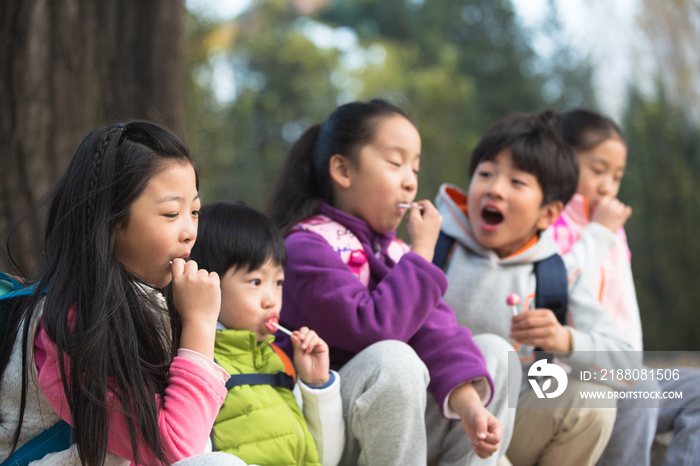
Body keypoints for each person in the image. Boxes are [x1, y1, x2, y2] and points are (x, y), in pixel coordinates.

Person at [268, 99, 515, 466]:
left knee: (496, 352)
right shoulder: (306, 246)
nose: (410, 180)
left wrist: (470, 407)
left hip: (395, 425)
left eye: (415, 167)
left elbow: (439, 334)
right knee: (393, 359)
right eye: (396, 162)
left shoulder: (397, 253)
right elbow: (373, 328)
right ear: (343, 170)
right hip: (325, 428)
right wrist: (423, 251)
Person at [0, 122, 244, 466]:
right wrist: (201, 324)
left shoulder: (152, 302)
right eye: (172, 214)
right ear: (112, 220)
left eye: (195, 212)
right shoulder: (68, 321)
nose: (190, 232)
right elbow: (176, 448)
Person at [434, 110, 638, 466]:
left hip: (508, 430)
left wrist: (565, 340)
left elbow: (628, 367)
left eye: (517, 182)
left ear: (548, 214)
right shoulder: (435, 247)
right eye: (486, 173)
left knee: (592, 402)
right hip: (429, 422)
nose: (495, 188)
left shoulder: (555, 275)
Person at [550, 108, 700, 466]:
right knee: (640, 392)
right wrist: (599, 232)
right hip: (567, 375)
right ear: (561, 160)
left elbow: (626, 309)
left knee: (694, 389)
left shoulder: (613, 231)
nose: (607, 186)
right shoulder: (548, 220)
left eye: (616, 176)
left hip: (619, 369)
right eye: (597, 170)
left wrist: (630, 361)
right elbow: (557, 285)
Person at [188, 202, 344, 466]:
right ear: (208, 282)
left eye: (279, 282)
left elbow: (326, 459)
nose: (271, 300)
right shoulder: (200, 363)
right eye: (256, 282)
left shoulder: (280, 361)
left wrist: (317, 385)